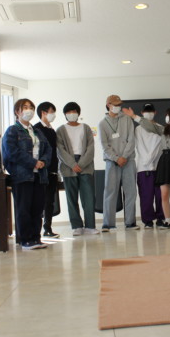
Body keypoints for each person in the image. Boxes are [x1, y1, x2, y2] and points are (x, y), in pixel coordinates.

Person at [122, 106, 170, 229]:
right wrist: (134, 116)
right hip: (164, 162)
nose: (166, 117)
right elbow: (150, 126)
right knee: (164, 194)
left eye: (168, 115)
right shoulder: (163, 129)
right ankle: (167, 220)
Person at [2, 98, 52, 250]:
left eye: (31, 107)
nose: (28, 110)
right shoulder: (12, 130)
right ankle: (25, 240)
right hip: (22, 175)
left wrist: (43, 161)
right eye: (25, 107)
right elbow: (12, 152)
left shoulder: (37, 131)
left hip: (39, 175)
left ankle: (36, 238)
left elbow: (48, 149)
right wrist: (32, 162)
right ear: (17, 111)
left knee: (37, 208)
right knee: (23, 208)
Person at [56, 102, 99, 236]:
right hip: (68, 166)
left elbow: (90, 148)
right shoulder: (60, 130)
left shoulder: (86, 128)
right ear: (65, 114)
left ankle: (90, 226)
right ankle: (77, 226)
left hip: (85, 164)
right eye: (68, 112)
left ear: (78, 113)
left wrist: (81, 164)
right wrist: (72, 164)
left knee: (89, 197)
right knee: (71, 198)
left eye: (74, 111)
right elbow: (60, 150)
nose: (71, 114)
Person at [98, 95, 138, 232]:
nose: (118, 107)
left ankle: (130, 222)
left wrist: (124, 157)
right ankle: (108, 223)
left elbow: (131, 140)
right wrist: (116, 158)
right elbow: (104, 145)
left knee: (131, 192)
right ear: (108, 105)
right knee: (110, 192)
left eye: (119, 104)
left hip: (128, 160)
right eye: (115, 104)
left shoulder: (127, 119)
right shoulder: (102, 124)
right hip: (112, 162)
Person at [134, 103, 165, 229]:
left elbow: (158, 146)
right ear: (142, 113)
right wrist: (147, 161)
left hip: (159, 167)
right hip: (143, 168)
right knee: (146, 196)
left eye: (151, 111)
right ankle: (148, 221)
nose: (148, 113)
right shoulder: (138, 129)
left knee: (161, 195)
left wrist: (150, 160)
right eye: (146, 111)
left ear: (155, 112)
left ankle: (161, 218)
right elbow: (139, 147)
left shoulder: (160, 128)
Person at [34, 101, 60, 238]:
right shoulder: (36, 129)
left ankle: (47, 228)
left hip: (53, 170)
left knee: (50, 201)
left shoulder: (51, 130)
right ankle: (36, 231)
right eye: (51, 112)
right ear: (43, 113)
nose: (53, 115)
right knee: (40, 201)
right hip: (41, 171)